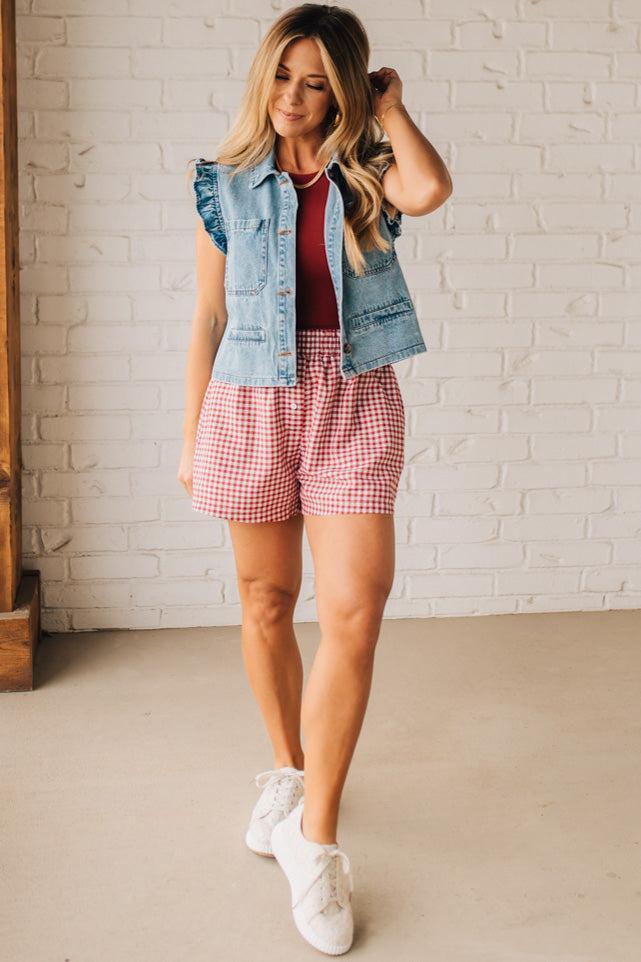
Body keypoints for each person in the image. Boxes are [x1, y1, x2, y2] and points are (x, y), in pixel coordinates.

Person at [178, 4, 452, 955]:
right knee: (265, 599)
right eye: (283, 78)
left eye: (318, 84)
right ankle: (287, 772)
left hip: (352, 397)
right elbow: (208, 319)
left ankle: (317, 836)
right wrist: (190, 438)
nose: (294, 99)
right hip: (249, 400)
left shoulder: (365, 171)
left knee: (354, 611)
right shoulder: (221, 183)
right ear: (264, 77)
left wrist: (389, 111)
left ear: (343, 91)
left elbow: (429, 188)